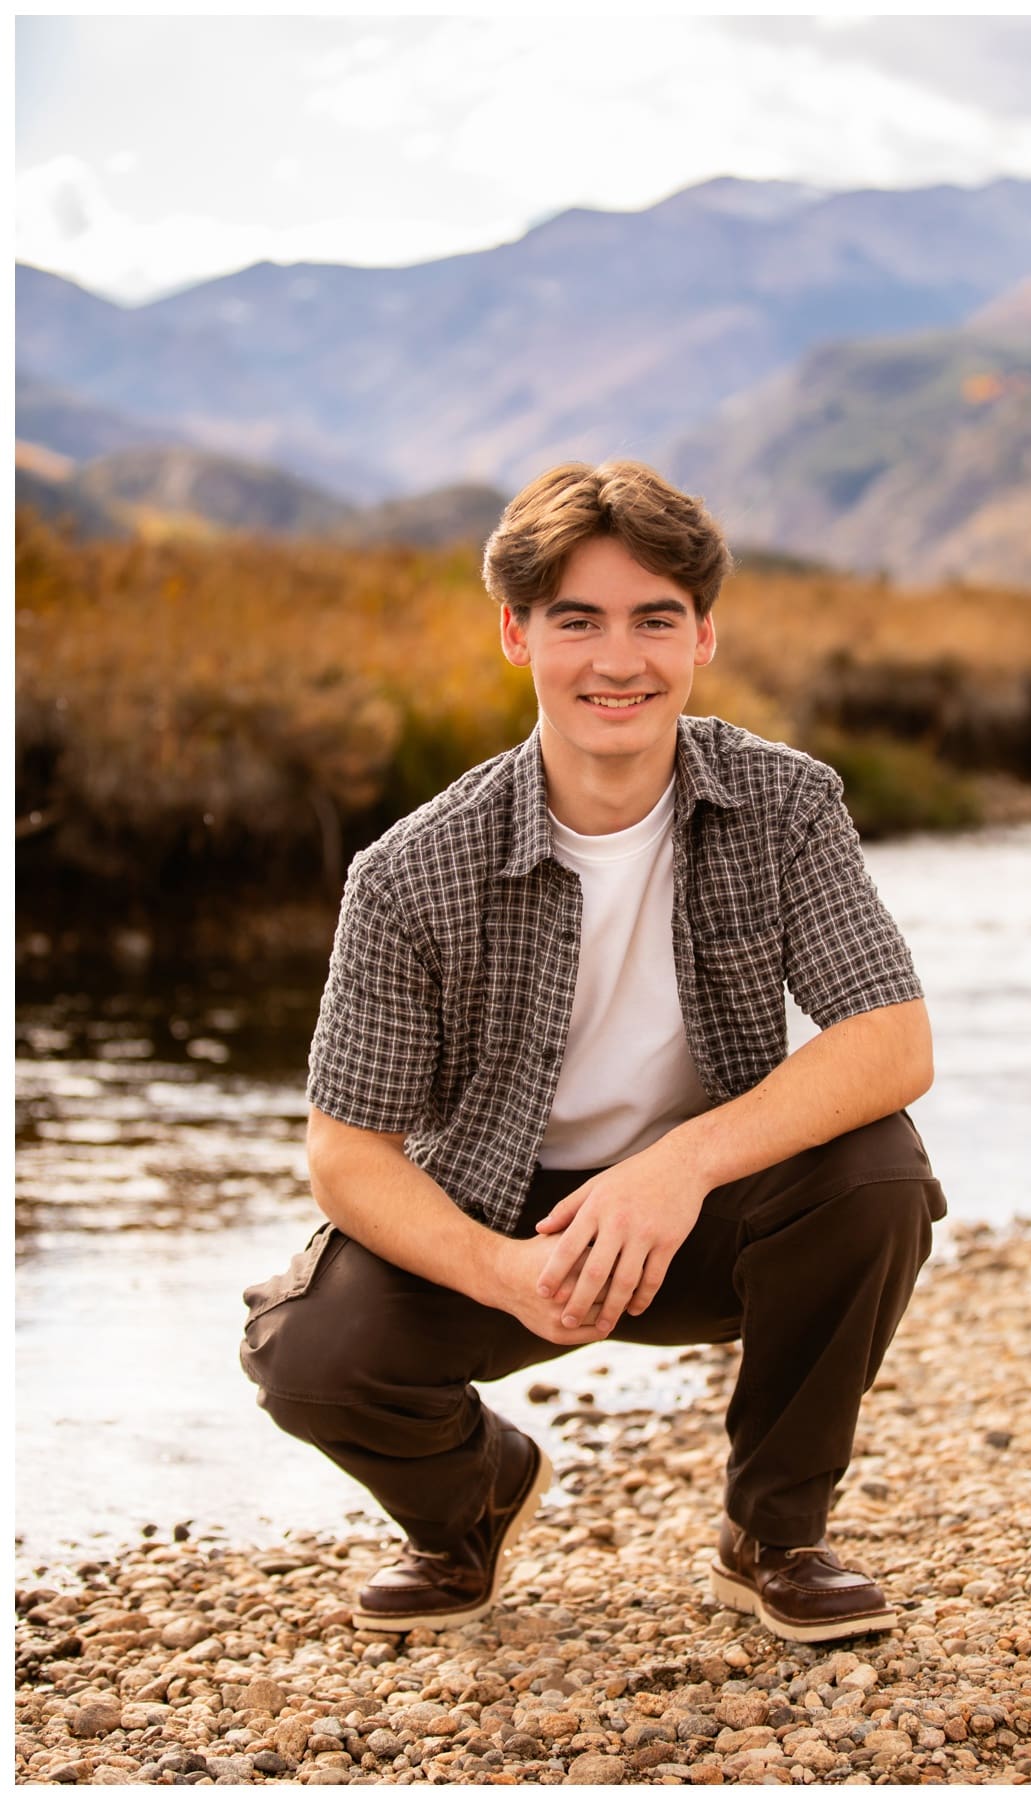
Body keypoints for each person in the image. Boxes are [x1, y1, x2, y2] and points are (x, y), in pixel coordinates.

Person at [240, 460, 943, 1645]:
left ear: (702, 635)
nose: (619, 661)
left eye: (654, 620)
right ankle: (472, 1506)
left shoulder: (786, 806)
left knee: (878, 1172)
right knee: (303, 1354)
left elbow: (893, 1037)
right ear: (517, 635)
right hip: (503, 1228)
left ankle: (774, 1532)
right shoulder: (410, 872)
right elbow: (345, 1155)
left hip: (706, 1217)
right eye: (579, 621)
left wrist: (678, 1168)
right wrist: (496, 1271)